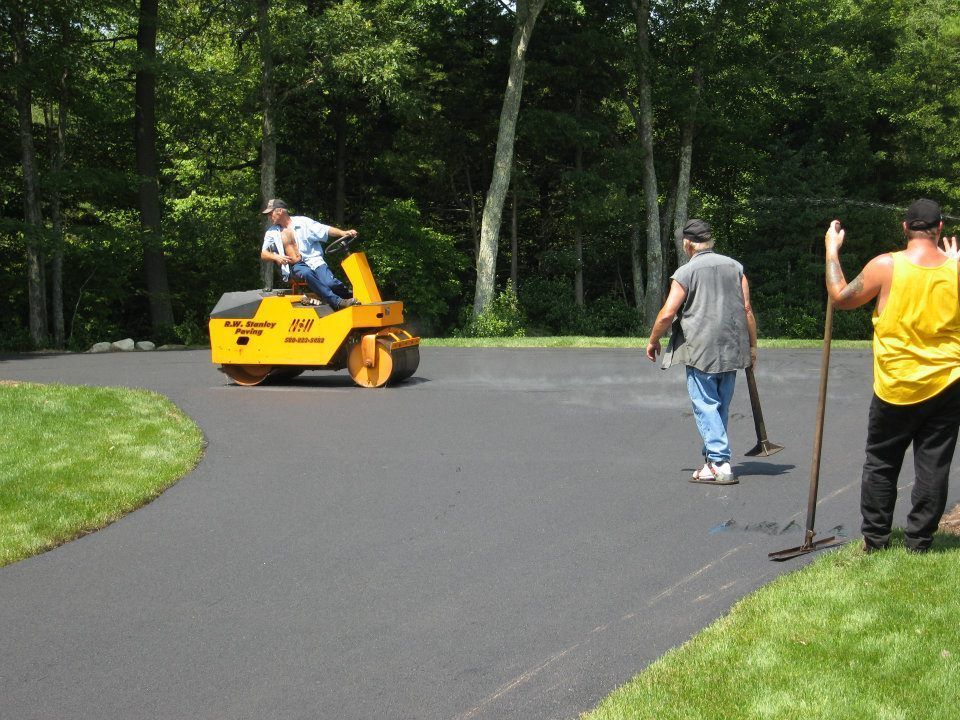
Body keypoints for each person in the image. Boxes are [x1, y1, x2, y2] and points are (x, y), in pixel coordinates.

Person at [825, 199, 960, 553]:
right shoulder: (956, 270)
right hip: (947, 382)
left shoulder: (886, 266)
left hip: (895, 384)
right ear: (940, 228)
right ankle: (919, 542)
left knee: (882, 462)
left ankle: (876, 540)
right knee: (933, 465)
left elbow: (840, 297)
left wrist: (831, 251)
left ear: (905, 228)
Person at [646, 219, 758, 485]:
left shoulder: (686, 272)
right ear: (710, 241)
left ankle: (720, 462)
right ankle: (711, 462)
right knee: (720, 406)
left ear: (687, 243)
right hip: (732, 346)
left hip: (701, 349)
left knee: (706, 405)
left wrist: (653, 340)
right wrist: (753, 346)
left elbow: (668, 313)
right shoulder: (735, 267)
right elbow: (746, 309)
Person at [259, 198, 359, 310]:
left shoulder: (303, 222)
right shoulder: (271, 233)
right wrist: (276, 256)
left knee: (331, 283)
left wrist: (343, 233)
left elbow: (325, 229)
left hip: (314, 260)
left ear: (280, 211)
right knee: (307, 273)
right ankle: (338, 302)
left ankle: (352, 298)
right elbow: (264, 253)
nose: (269, 216)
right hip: (296, 266)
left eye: (270, 213)